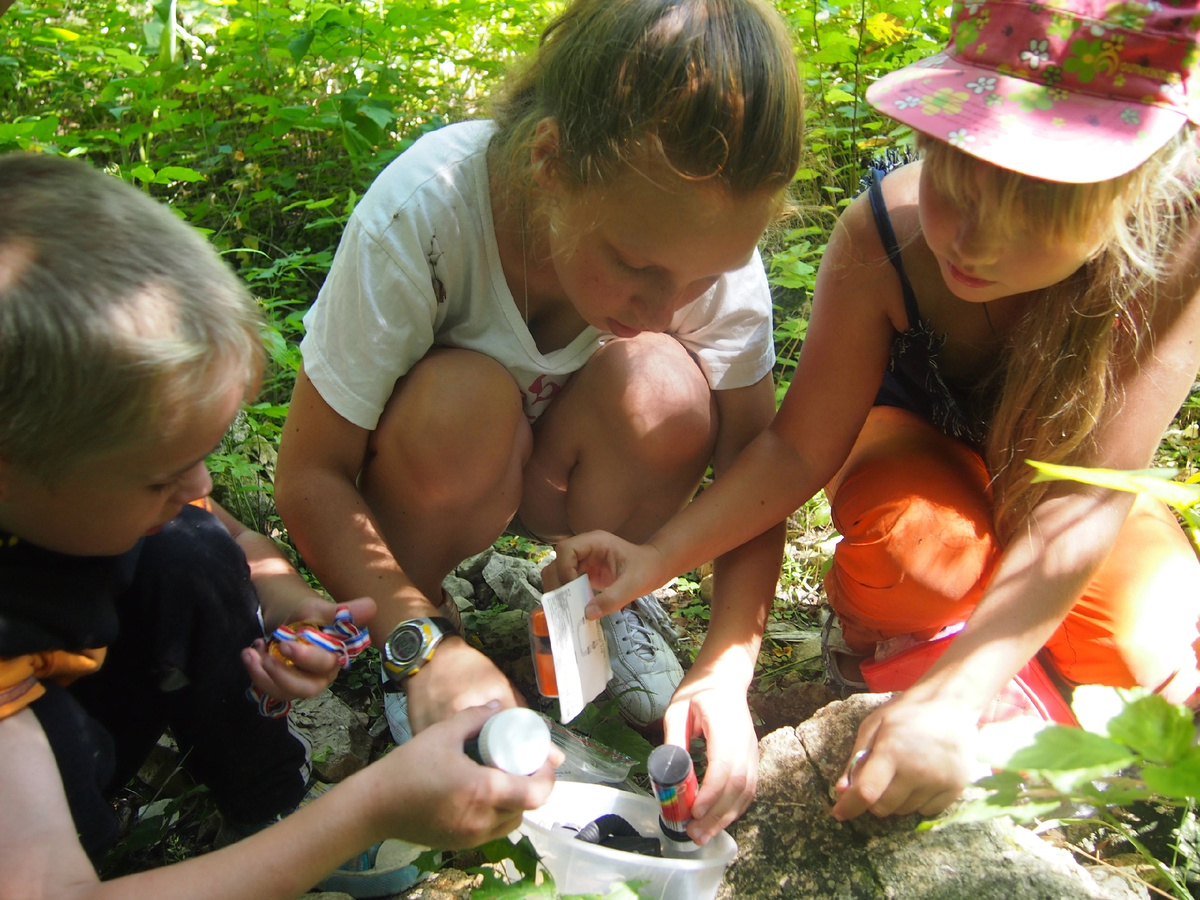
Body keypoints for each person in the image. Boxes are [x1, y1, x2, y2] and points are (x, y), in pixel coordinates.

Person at [550, 0, 1200, 824]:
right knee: (918, 560)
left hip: (1057, 477)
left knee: (1151, 660)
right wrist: (657, 558)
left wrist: (956, 695)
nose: (971, 241)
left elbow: (1084, 494)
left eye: (1032, 209)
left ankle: (977, 686)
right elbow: (795, 453)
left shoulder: (1177, 241)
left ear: (1126, 190)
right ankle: (928, 659)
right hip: (913, 450)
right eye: (955, 185)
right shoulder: (885, 237)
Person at [273, 0, 803, 842]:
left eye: (707, 278)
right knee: (465, 405)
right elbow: (309, 473)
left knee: (667, 386)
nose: (667, 304)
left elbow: (758, 470)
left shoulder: (698, 250)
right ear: (550, 161)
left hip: (579, 480)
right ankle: (415, 631)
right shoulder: (429, 211)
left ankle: (603, 602)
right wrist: (423, 644)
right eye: (634, 266)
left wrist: (727, 666)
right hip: (443, 470)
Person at [0, 152, 554, 900]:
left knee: (190, 550)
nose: (198, 486)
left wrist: (293, 609)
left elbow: (234, 544)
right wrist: (370, 808)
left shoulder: (64, 491)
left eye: (202, 458)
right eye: (162, 475)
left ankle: (266, 815)